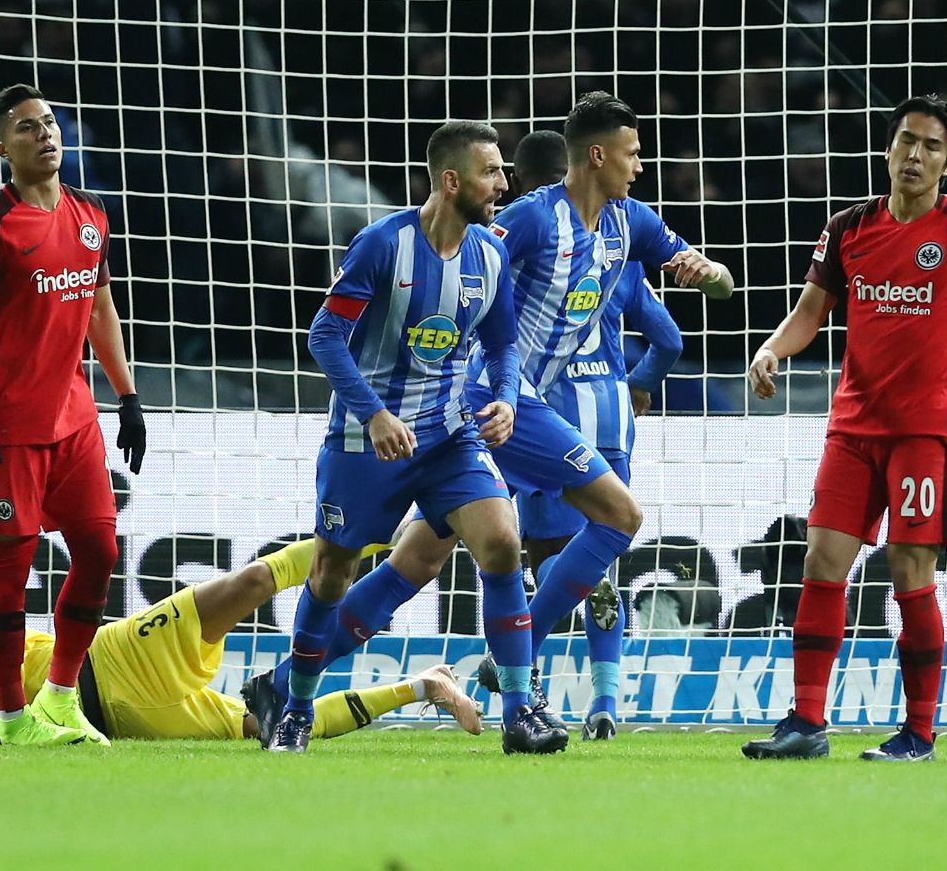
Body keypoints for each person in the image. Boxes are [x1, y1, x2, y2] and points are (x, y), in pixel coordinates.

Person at [253, 94, 732, 747]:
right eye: (633, 153)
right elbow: (465, 265)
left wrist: (708, 275)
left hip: (503, 408)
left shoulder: (631, 224)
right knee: (611, 516)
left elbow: (704, 285)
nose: (641, 166)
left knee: (419, 562)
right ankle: (517, 668)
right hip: (482, 404)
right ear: (597, 154)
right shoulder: (530, 221)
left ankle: (285, 682)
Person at [742, 94, 947, 763]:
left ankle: (919, 732)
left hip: (923, 433)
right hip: (852, 429)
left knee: (909, 572)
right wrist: (773, 348)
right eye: (905, 141)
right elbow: (811, 311)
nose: (914, 155)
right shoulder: (848, 228)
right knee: (821, 564)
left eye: (929, 146)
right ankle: (807, 722)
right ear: (888, 150)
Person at [261, 120, 555, 755]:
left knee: (502, 543)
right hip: (366, 442)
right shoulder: (381, 246)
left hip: (449, 437)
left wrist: (504, 397)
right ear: (452, 181)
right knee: (332, 574)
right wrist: (372, 414)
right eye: (491, 172)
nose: (503, 183)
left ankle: (520, 710)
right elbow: (325, 337)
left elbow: (502, 346)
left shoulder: (491, 255)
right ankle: (296, 707)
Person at [0, 539, 481, 743]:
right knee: (264, 728)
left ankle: (373, 537)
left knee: (243, 588)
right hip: (123, 723)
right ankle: (423, 686)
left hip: (114, 656)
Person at [0, 84, 146, 747]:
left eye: (49, 123)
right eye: (28, 129)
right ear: (4, 147)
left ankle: (59, 696)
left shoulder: (91, 215)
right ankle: (11, 718)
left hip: (74, 420)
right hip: (7, 427)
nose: (45, 135)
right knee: (10, 569)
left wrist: (128, 396)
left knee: (99, 549)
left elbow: (100, 309)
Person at [501, 129, 684, 740]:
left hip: (540, 411)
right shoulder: (624, 251)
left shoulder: (532, 237)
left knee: (527, 554)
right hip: (609, 415)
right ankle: (606, 698)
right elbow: (670, 340)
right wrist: (637, 383)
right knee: (599, 556)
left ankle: (521, 683)